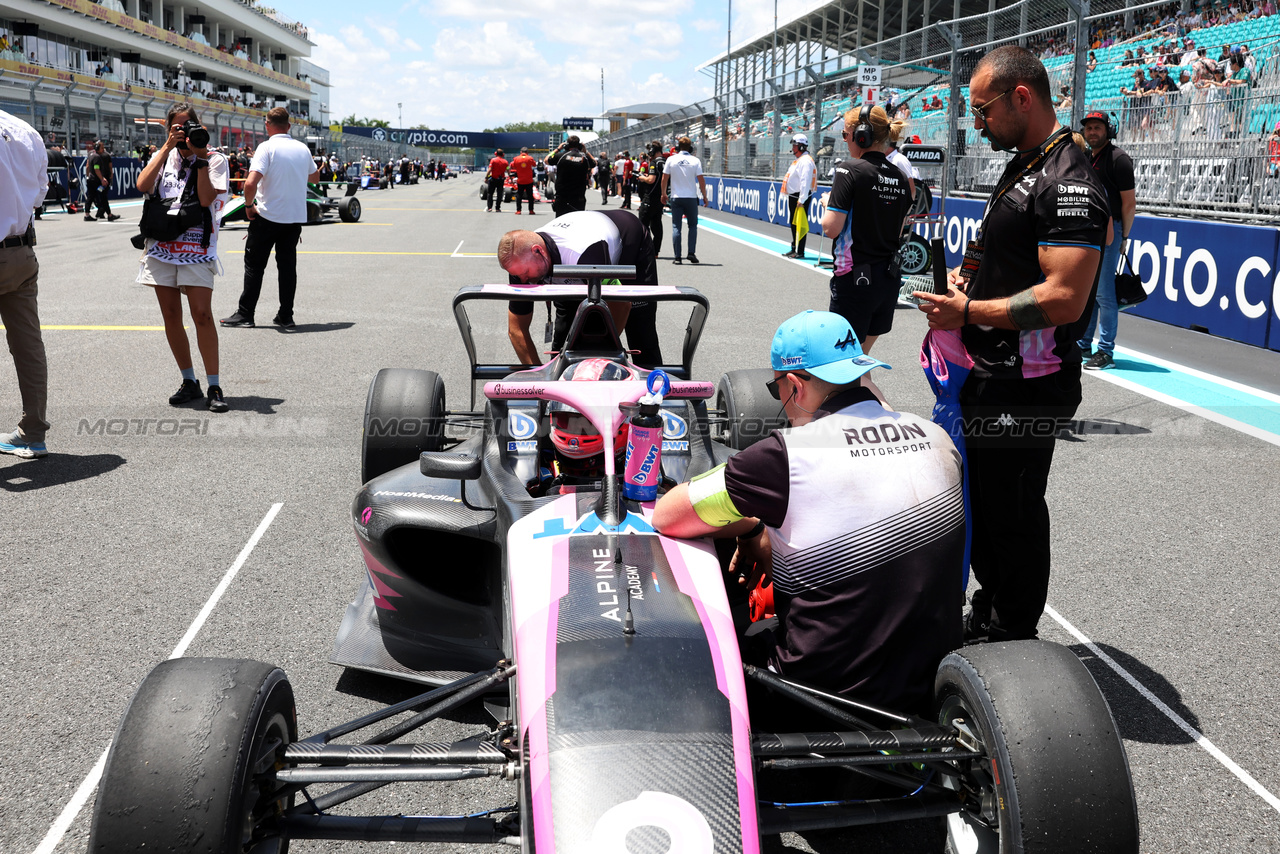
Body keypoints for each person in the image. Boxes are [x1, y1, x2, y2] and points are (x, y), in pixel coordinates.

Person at [652, 310, 964, 714]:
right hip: (932, 684)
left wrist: (749, 529)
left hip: (821, 698)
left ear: (795, 386)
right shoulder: (937, 437)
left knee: (697, 647)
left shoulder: (782, 457)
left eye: (776, 388)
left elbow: (667, 515)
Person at [913, 45, 1108, 642]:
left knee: (1012, 510)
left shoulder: (1070, 179)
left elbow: (1064, 298)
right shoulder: (1026, 158)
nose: (976, 123)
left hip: (1029, 385)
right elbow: (1004, 250)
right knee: (981, 502)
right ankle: (991, 607)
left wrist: (969, 309)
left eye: (982, 110)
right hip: (989, 371)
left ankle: (1011, 630)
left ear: (1021, 97)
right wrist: (964, 280)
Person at [135, 102, 232, 413]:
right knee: (171, 316)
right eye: (176, 127)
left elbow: (206, 199)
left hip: (197, 247)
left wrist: (199, 158)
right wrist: (166, 148)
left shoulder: (215, 159)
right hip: (162, 246)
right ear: (168, 129)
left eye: (187, 126)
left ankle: (214, 384)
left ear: (197, 125)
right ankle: (189, 381)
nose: (182, 132)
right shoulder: (163, 156)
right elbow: (142, 185)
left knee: (202, 314)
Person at [497, 210, 662, 368]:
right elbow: (516, 329)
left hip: (628, 243)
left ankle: (657, 390)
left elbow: (620, 304)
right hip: (573, 261)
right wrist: (538, 379)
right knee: (563, 346)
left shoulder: (584, 254)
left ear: (538, 251)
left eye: (525, 273)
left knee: (640, 333)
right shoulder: (519, 264)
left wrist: (600, 359)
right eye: (519, 275)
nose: (523, 280)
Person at [819, 105, 912, 353]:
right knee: (860, 359)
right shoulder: (901, 177)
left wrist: (829, 204)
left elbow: (830, 228)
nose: (845, 140)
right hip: (888, 281)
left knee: (842, 363)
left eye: (846, 134)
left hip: (855, 279)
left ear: (862, 136)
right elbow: (899, 227)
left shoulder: (848, 169)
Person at [220, 107, 318, 330]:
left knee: (254, 267)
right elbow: (315, 177)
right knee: (287, 268)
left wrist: (247, 206)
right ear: (289, 126)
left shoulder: (266, 147)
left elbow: (250, 183)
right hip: (293, 219)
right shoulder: (302, 148)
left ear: (267, 125)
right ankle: (286, 315)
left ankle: (246, 314)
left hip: (267, 217)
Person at [0, 109, 52, 458]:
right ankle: (33, 432)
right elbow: (39, 194)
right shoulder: (24, 130)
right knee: (28, 344)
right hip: (20, 250)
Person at [1077, 110, 1136, 370]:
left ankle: (1106, 351)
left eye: (1097, 128)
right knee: (1089, 291)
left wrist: (1125, 237)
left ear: (1108, 130)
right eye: (1088, 128)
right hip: (1090, 231)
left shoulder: (1119, 159)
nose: (1092, 132)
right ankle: (1082, 344)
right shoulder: (1088, 157)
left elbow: (1129, 203)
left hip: (1111, 231)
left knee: (1104, 293)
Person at [660, 136, 709, 265]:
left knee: (676, 226)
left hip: (676, 197)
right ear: (690, 147)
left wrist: (663, 194)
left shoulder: (671, 159)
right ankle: (691, 253)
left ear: (677, 147)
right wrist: (704, 195)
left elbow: (664, 179)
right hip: (691, 198)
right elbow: (701, 180)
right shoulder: (695, 160)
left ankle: (677, 257)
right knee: (692, 226)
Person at [781, 133, 817, 259]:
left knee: (799, 223)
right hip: (794, 196)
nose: (793, 147)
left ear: (801, 146)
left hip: (799, 197)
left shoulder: (805, 161)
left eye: (795, 145)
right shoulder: (800, 160)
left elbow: (805, 181)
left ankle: (800, 251)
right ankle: (794, 248)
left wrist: (802, 199)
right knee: (793, 223)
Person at [546, 136, 594, 216]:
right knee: (576, 221)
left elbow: (546, 160)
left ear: (567, 146)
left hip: (562, 195)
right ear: (579, 146)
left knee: (560, 221)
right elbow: (594, 163)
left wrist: (557, 149)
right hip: (578, 196)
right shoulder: (584, 157)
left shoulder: (561, 156)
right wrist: (585, 151)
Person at [635, 141, 665, 257]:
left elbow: (651, 180)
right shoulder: (665, 162)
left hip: (650, 197)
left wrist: (643, 178)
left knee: (643, 223)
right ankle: (656, 251)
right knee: (657, 224)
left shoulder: (654, 163)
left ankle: (646, 250)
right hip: (660, 197)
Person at [85, 139, 121, 222]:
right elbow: (96, 169)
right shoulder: (97, 157)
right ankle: (109, 214)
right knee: (103, 196)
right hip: (96, 181)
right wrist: (102, 179)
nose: (103, 149)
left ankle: (87, 214)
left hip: (91, 180)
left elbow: (87, 167)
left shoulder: (91, 155)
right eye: (102, 148)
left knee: (90, 197)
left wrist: (87, 176)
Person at [510, 147, 537, 216]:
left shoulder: (516, 159)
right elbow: (534, 164)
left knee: (519, 195)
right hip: (529, 180)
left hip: (520, 180)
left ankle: (518, 210)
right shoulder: (530, 158)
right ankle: (531, 210)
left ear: (520, 152)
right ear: (527, 152)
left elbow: (512, 166)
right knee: (530, 196)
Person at [485, 148, 508, 213]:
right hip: (501, 180)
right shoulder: (505, 161)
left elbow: (490, 169)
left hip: (493, 179)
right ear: (503, 154)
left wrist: (486, 177)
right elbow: (508, 169)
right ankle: (498, 208)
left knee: (490, 193)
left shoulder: (493, 160)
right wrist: (510, 177)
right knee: (499, 194)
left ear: (496, 154)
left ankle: (489, 208)